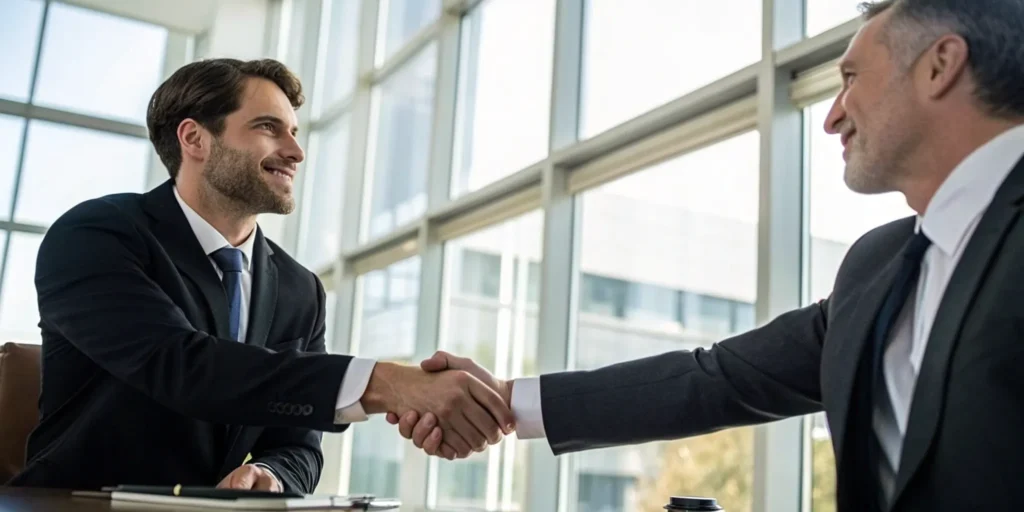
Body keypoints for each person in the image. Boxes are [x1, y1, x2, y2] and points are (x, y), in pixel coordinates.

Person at [389, 0, 1024, 510]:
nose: (832, 117)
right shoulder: (878, 265)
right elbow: (718, 378)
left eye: (851, 78)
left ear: (940, 65)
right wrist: (502, 400)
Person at [6, 58, 514, 492]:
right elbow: (180, 365)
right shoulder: (96, 235)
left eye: (294, 132)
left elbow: (300, 447)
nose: (296, 151)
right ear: (194, 138)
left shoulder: (300, 289)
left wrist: (271, 473)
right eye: (269, 127)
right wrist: (387, 383)